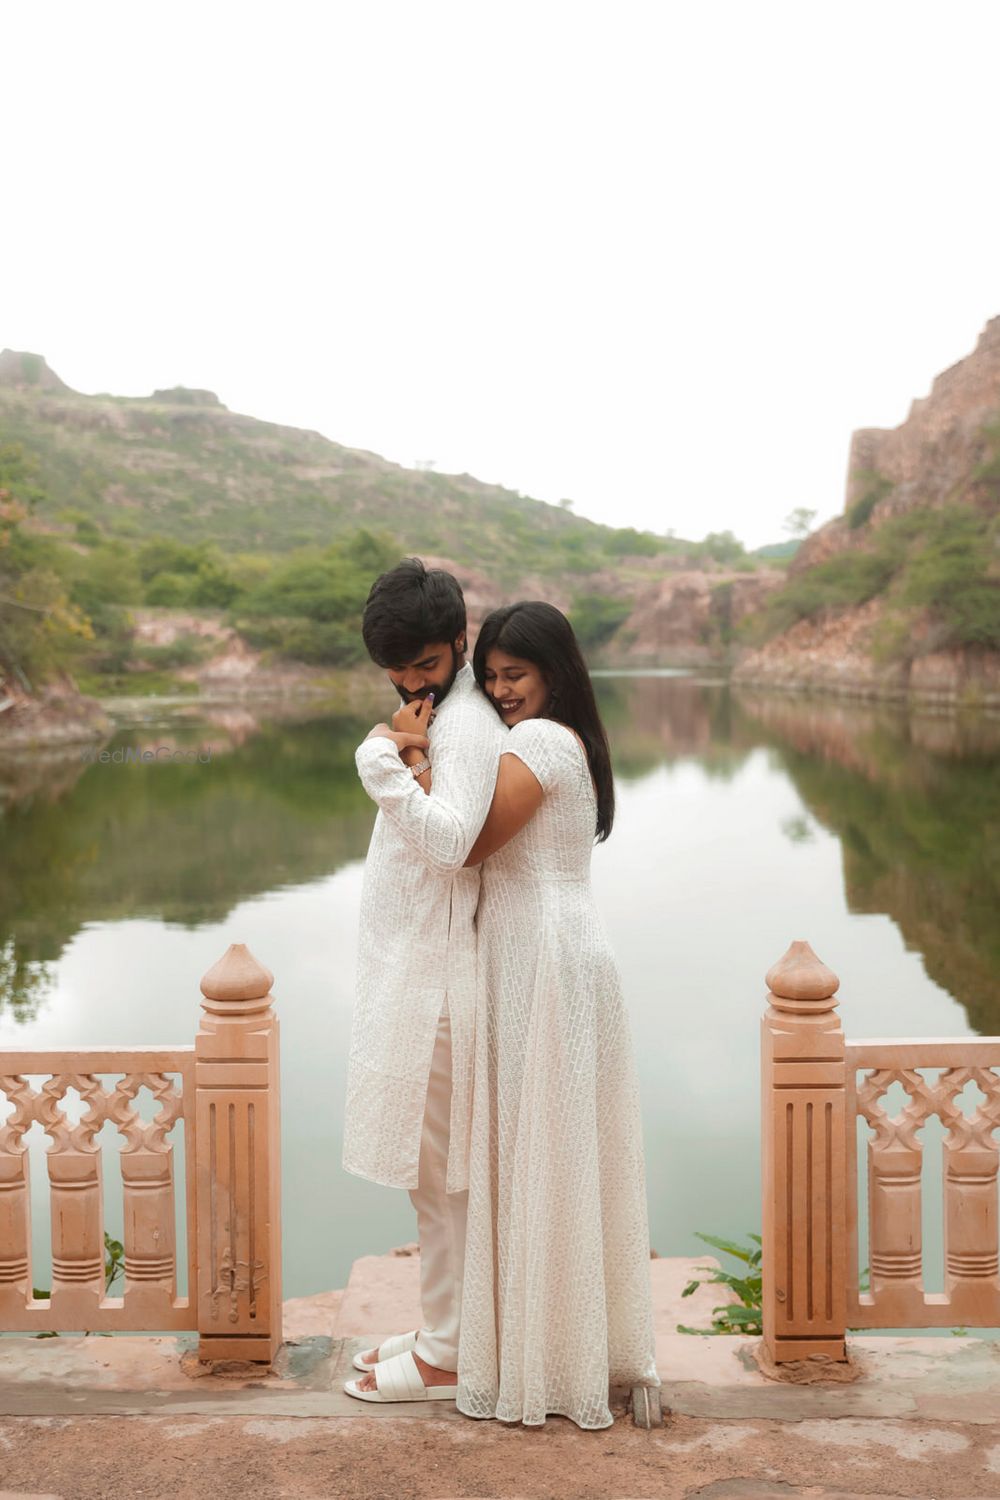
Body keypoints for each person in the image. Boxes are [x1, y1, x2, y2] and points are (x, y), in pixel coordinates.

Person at [454, 601, 661, 1429]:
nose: (503, 691)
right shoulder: (570, 738)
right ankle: (567, 1353)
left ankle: (547, 1367)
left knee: (543, 1149)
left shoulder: (540, 742)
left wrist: (398, 772)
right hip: (562, 947)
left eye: (517, 675)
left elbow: (467, 843)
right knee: (565, 1149)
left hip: (540, 953)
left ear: (554, 673)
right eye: (493, 677)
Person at [342, 558, 506, 1404]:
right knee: (427, 1174)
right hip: (416, 973)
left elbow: (454, 845)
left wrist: (382, 770)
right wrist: (402, 750)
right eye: (396, 671)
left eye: (424, 665)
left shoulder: (472, 726)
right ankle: (446, 1329)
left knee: (444, 1178)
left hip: (441, 980)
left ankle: (450, 1352)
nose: (411, 683)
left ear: (459, 640)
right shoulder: (435, 717)